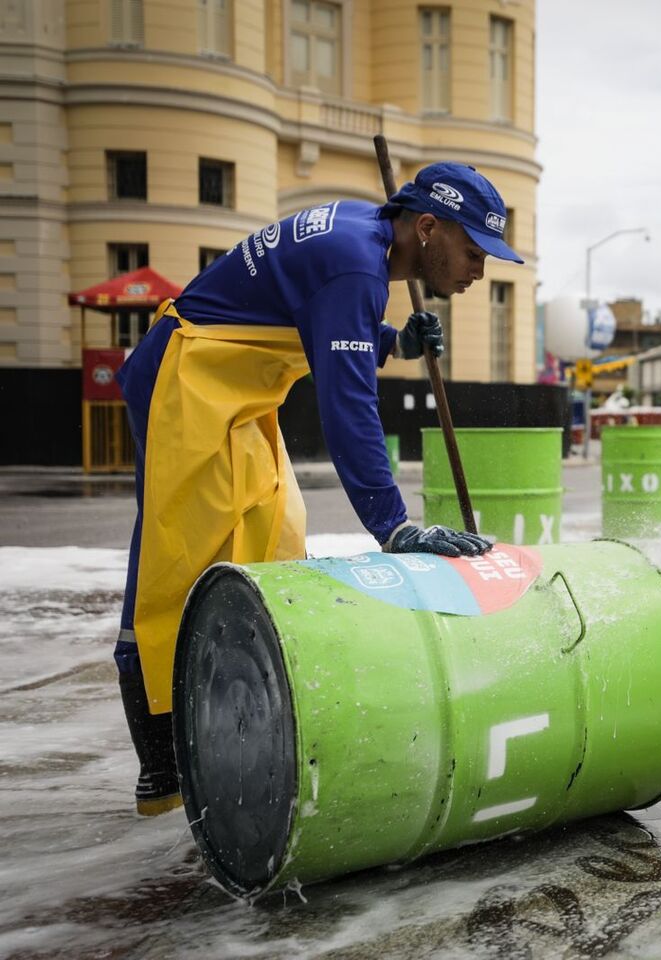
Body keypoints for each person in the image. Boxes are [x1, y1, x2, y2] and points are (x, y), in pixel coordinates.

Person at [113, 162, 518, 815]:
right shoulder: (356, 264)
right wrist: (394, 525)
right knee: (179, 562)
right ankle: (162, 759)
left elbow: (313, 317)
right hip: (185, 379)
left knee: (271, 547)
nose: (479, 269)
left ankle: (241, 729)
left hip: (233, 397)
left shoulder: (364, 240)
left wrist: (395, 340)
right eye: (473, 251)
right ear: (427, 226)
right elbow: (348, 406)